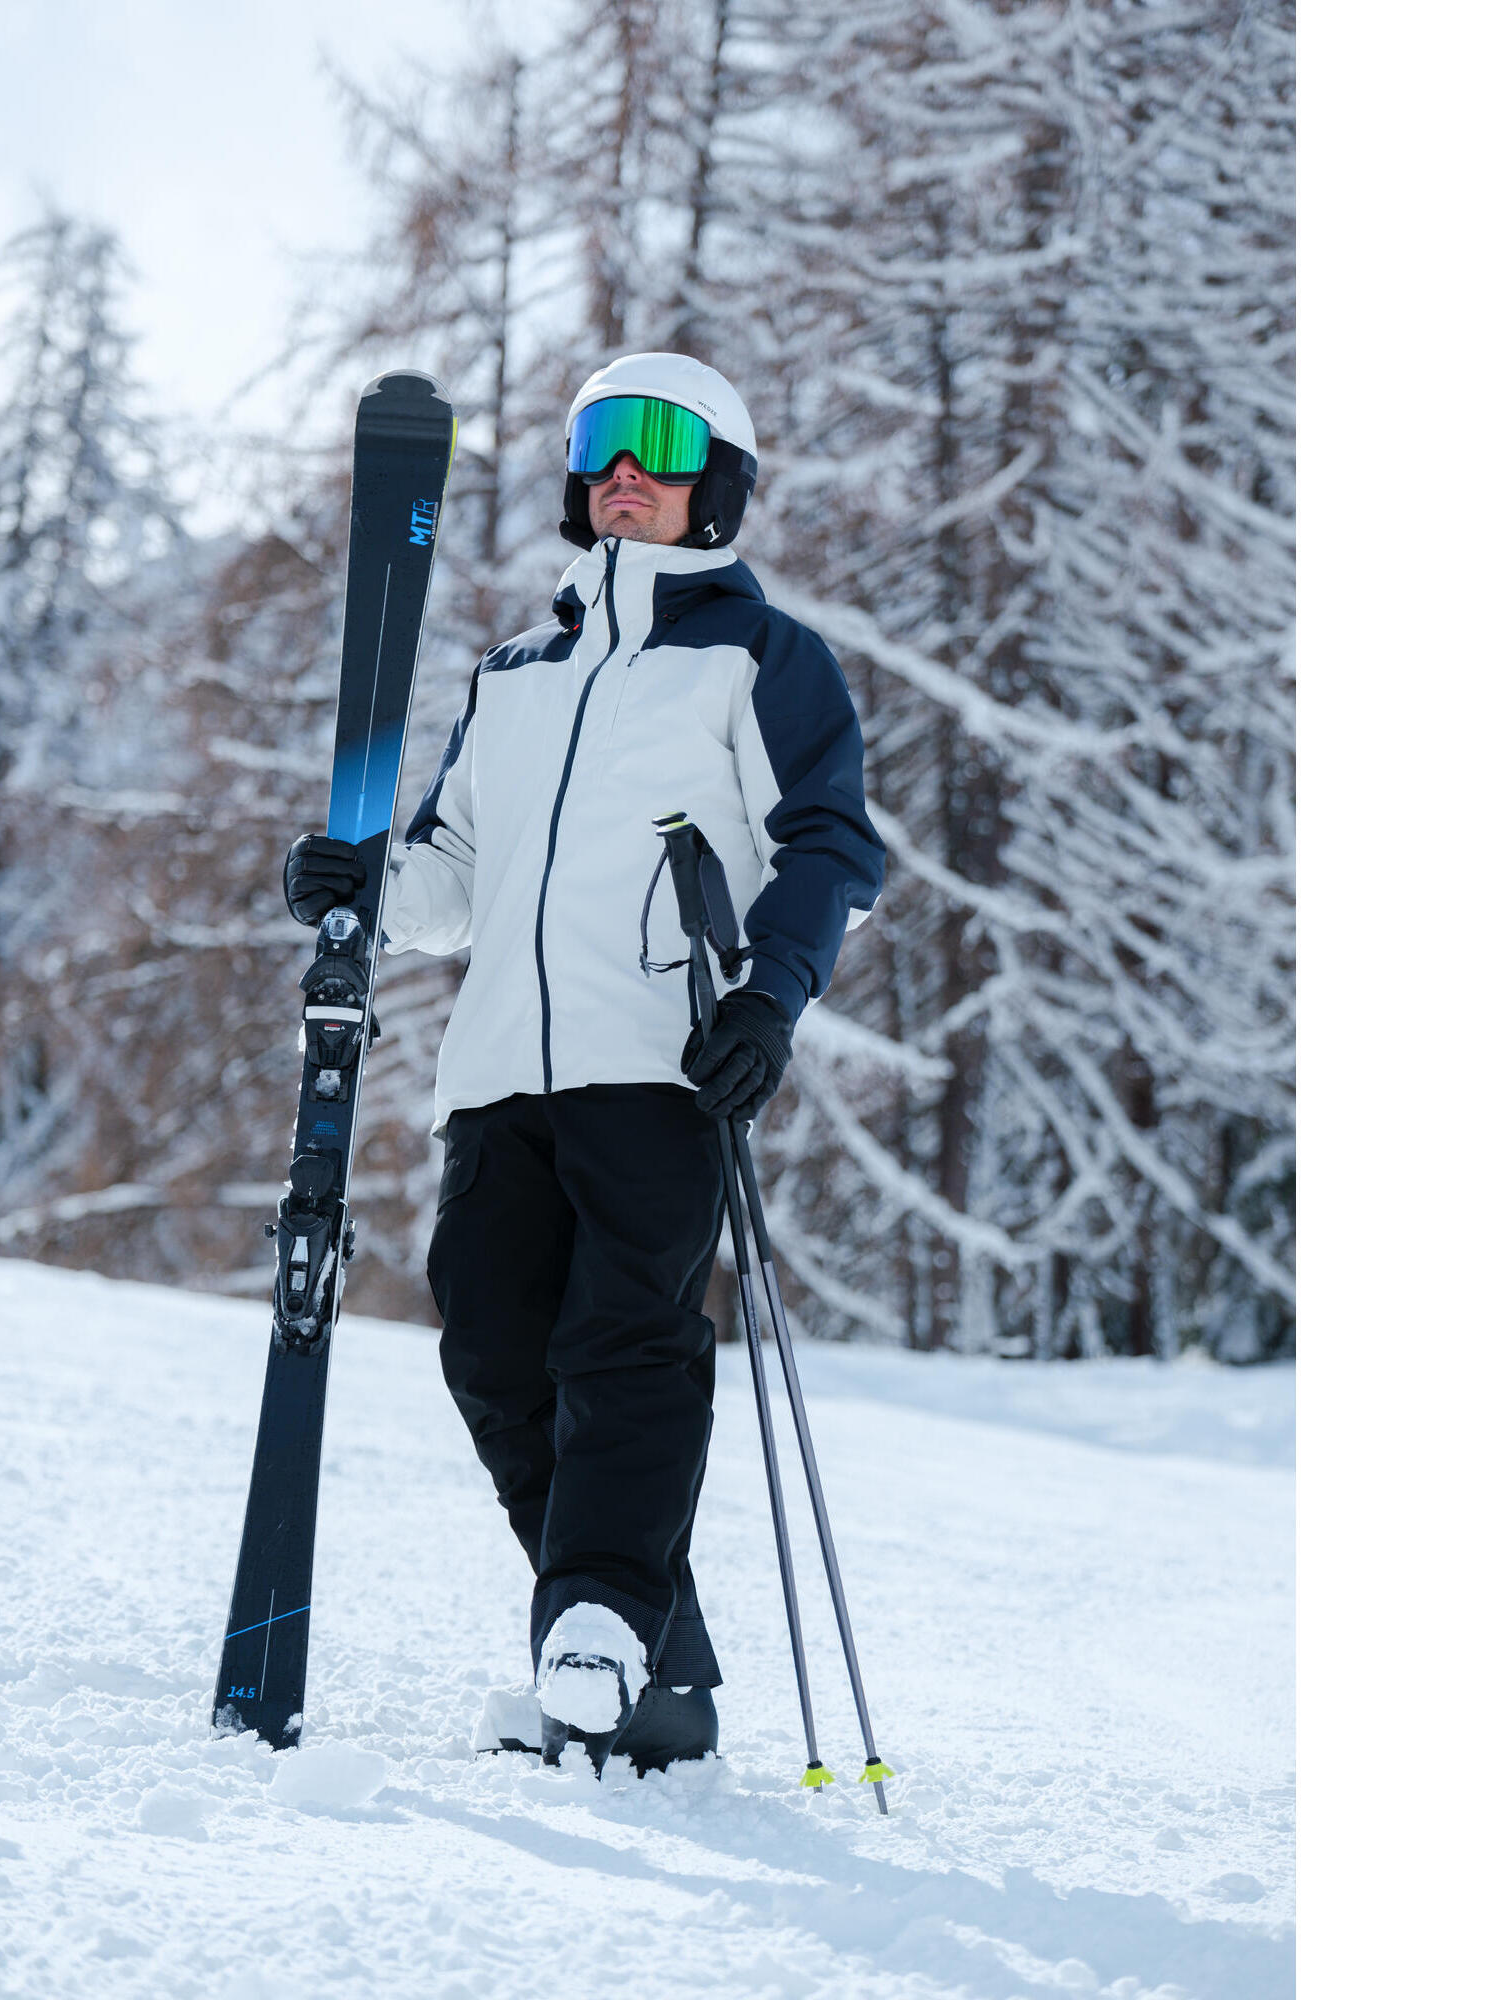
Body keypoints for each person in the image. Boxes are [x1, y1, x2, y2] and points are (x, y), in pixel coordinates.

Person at [285, 352, 885, 1772]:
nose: (627, 467)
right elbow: (449, 881)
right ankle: (650, 1679)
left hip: (659, 1058)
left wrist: (767, 999)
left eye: (663, 445)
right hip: (499, 1077)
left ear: (717, 483)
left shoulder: (761, 658)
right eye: (604, 441)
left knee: (624, 1342)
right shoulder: (518, 674)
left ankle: (599, 1613)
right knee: (493, 1349)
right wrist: (358, 885)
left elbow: (833, 846)